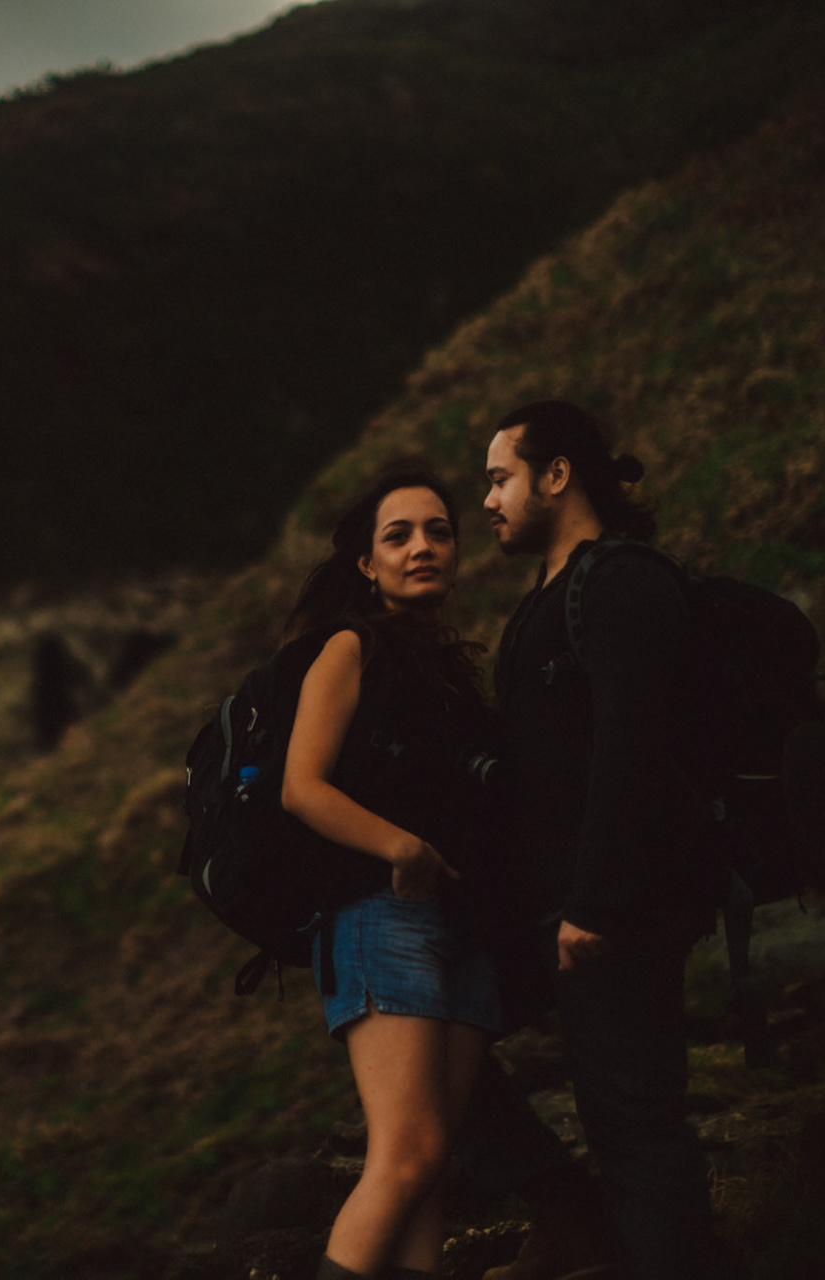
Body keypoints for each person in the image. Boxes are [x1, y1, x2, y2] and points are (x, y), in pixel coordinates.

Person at [480, 400, 722, 1280]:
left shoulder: (620, 581)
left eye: (500, 478)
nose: (488, 502)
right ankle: (574, 1219)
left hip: (613, 911)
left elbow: (634, 751)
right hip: (558, 908)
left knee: (636, 1124)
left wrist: (596, 903)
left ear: (556, 475)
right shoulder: (548, 595)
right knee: (447, 1048)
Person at [278, 467, 510, 1280]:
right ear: (366, 565)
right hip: (381, 915)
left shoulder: (448, 667)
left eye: (439, 531)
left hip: (463, 926)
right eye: (399, 535)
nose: (423, 547)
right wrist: (402, 848)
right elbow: (301, 785)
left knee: (431, 1165)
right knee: (407, 1155)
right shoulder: (351, 647)